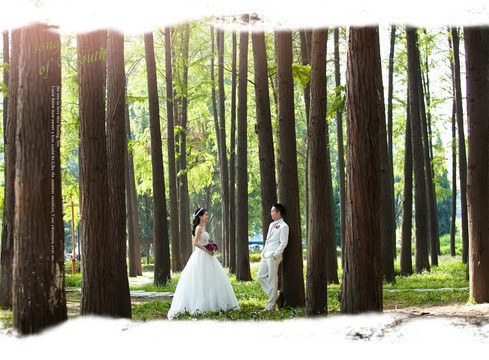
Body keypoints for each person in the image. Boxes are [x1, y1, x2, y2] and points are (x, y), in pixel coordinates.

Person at [167, 208, 239, 319]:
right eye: (205, 215)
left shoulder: (203, 227)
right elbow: (195, 242)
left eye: (207, 215)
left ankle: (214, 303)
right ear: (200, 216)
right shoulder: (198, 228)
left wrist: (211, 247)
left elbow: (204, 241)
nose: (207, 216)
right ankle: (200, 304)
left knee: (211, 279)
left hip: (207, 255)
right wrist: (206, 250)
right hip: (200, 256)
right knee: (200, 279)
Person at [257, 203, 289, 311]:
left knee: (272, 279)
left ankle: (270, 307)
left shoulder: (284, 226)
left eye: (273, 211)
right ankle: (276, 294)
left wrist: (275, 255)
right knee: (260, 276)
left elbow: (283, 243)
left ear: (278, 213)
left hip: (273, 256)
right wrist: (264, 252)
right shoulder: (271, 225)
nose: (271, 213)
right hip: (265, 254)